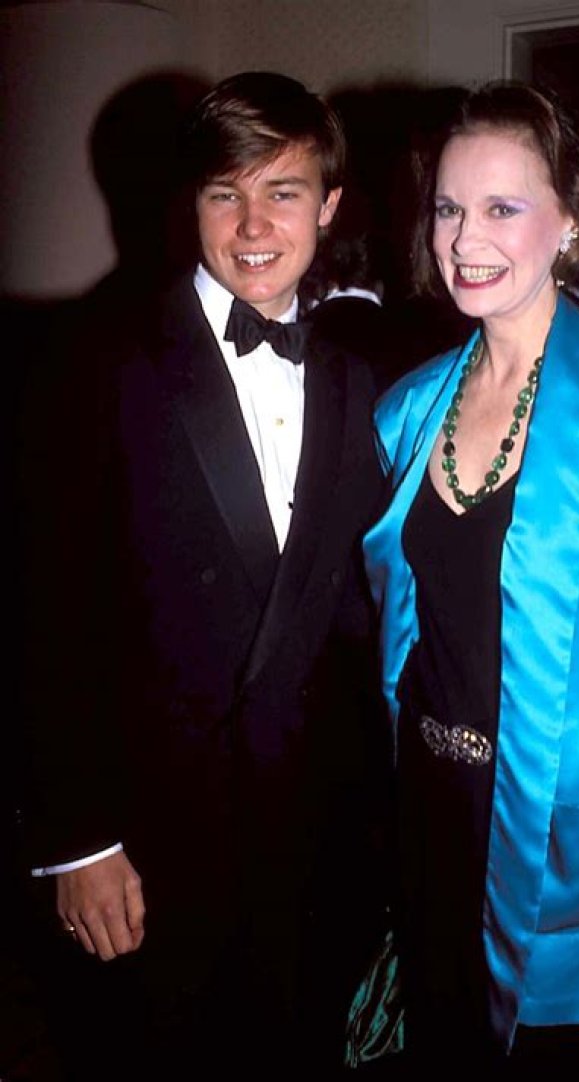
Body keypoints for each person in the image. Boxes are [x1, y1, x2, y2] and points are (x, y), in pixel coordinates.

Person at [19, 71, 391, 1080]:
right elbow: (42, 615)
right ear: (192, 202)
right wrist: (78, 838)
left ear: (329, 205)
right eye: (226, 192)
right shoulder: (95, 357)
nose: (254, 224)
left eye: (283, 191)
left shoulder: (361, 375)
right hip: (154, 847)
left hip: (318, 845)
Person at [360, 81, 579, 1079]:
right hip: (429, 816)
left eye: (502, 207)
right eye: (448, 207)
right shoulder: (408, 408)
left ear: (571, 223)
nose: (466, 237)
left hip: (575, 842)